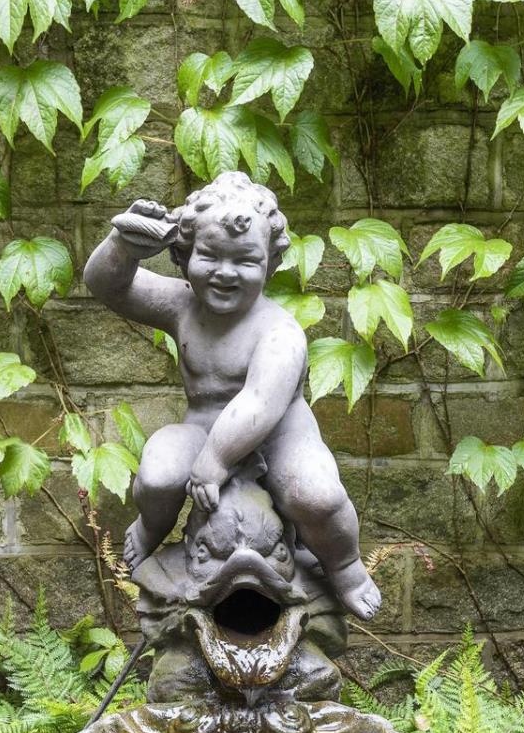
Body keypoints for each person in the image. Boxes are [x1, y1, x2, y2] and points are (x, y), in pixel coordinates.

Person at [81, 171, 383, 621]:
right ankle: (148, 530)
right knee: (159, 476)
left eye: (244, 260)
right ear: (184, 256)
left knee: (316, 495)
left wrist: (215, 460)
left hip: (279, 435)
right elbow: (108, 287)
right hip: (204, 425)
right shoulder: (182, 305)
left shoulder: (279, 331)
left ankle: (346, 566)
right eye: (210, 256)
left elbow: (259, 404)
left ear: (269, 263)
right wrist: (123, 246)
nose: (224, 273)